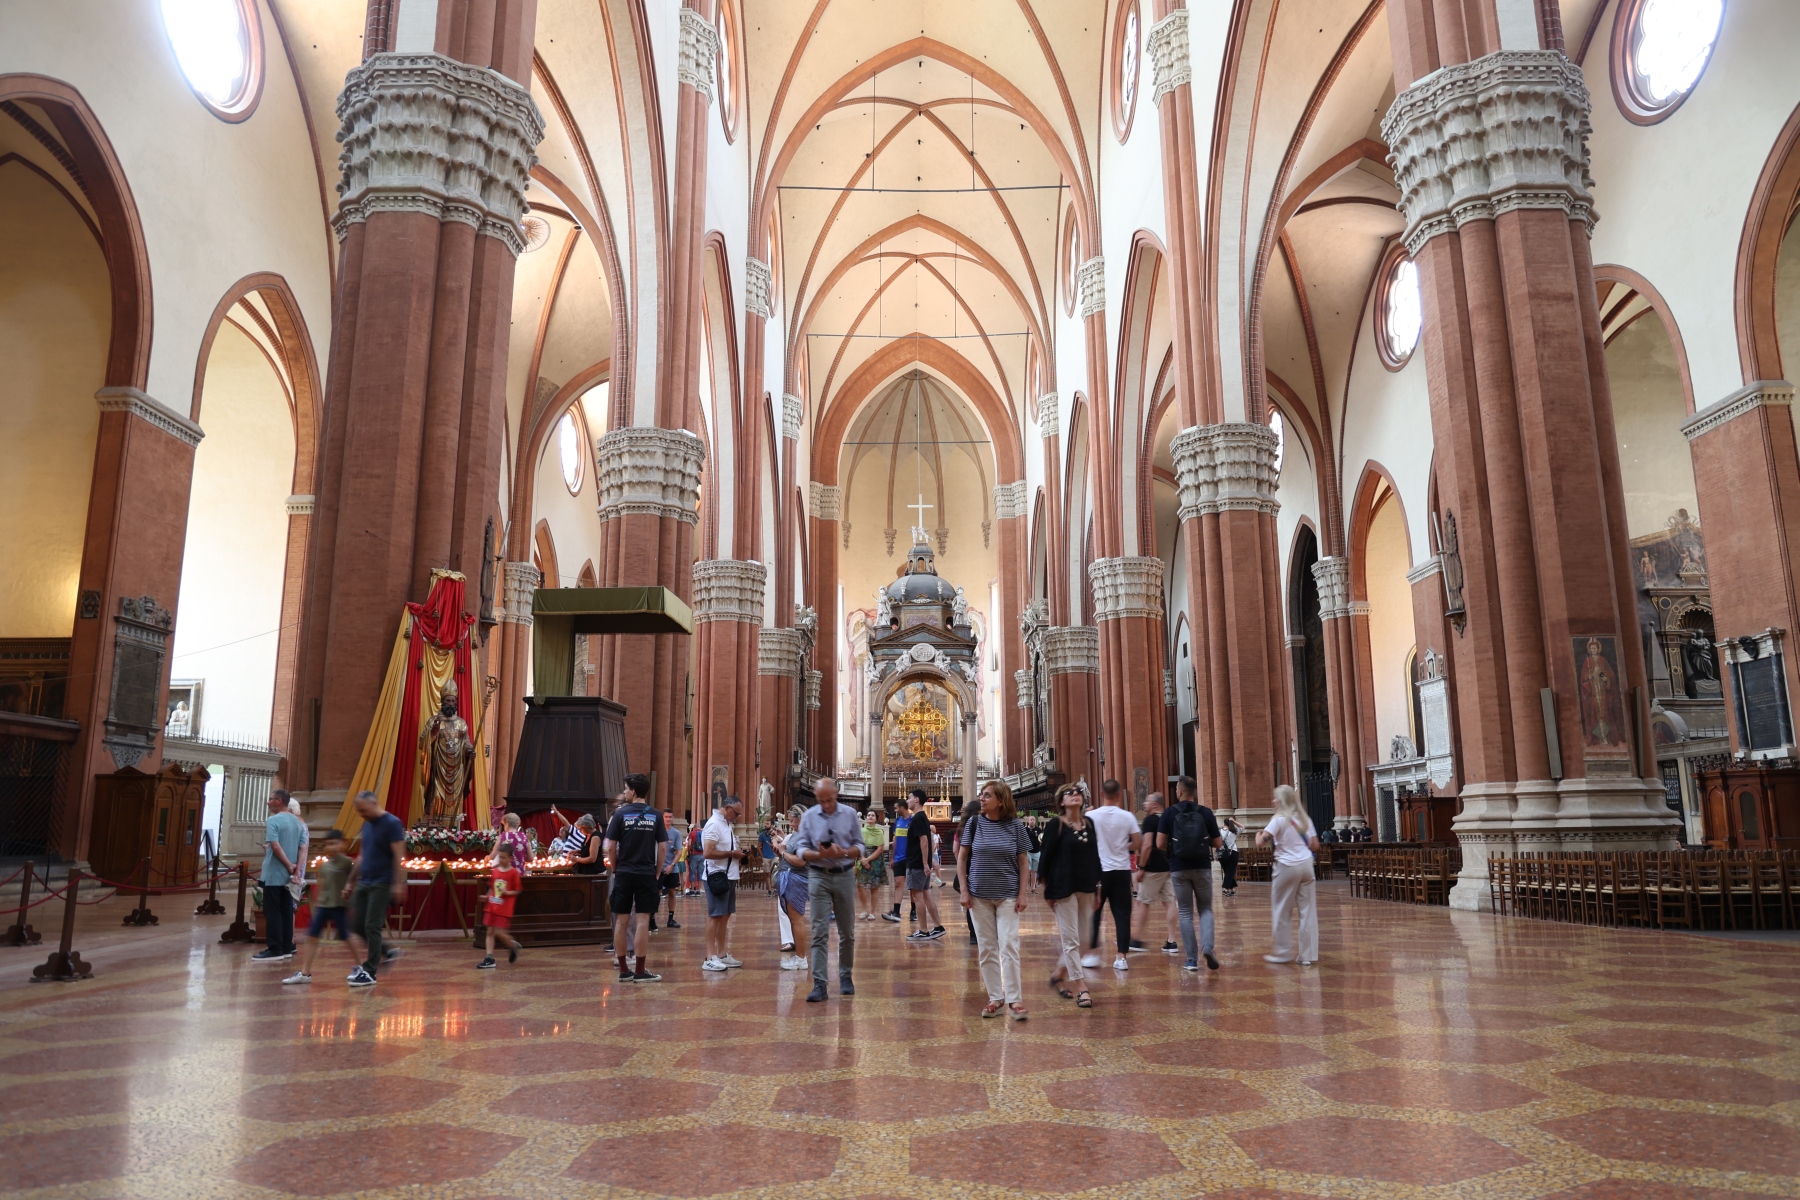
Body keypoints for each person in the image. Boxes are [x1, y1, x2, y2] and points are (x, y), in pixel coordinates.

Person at [957, 780, 1032, 1021]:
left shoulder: (1016, 826)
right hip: (979, 896)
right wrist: (964, 891)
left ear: (1001, 800)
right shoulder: (974, 823)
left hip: (1008, 895)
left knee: (1009, 945)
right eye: (981, 794)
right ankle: (995, 999)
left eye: (987, 795)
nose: (982, 798)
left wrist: (1023, 893)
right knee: (987, 948)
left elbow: (1023, 862)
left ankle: (1015, 1000)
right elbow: (962, 858)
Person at [791, 776, 862, 1002]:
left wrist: (843, 852)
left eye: (829, 800)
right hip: (818, 875)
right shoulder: (810, 816)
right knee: (819, 931)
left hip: (844, 874)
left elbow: (860, 846)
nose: (826, 805)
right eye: (821, 801)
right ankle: (819, 984)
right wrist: (818, 854)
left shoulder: (850, 814)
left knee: (847, 932)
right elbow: (801, 849)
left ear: (836, 795)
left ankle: (846, 977)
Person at [1039, 784, 1101, 1008]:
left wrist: (1098, 886)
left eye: (1078, 792)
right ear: (1061, 802)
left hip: (1086, 886)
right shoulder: (1056, 824)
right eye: (1069, 793)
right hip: (1063, 888)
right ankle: (1081, 987)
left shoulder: (1089, 823)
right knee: (1071, 940)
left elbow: (1094, 856)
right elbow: (1045, 859)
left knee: (1085, 939)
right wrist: (1047, 890)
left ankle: (1059, 974)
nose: (1075, 794)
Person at [603, 772, 668, 982]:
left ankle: (624, 970)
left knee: (621, 922)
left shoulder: (620, 815)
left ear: (633, 791)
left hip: (624, 873)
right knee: (642, 922)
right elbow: (663, 848)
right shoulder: (655, 815)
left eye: (625, 789)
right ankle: (640, 971)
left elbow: (611, 847)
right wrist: (657, 872)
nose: (624, 792)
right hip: (646, 873)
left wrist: (616, 869)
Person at [283, 829, 363, 984]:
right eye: (328, 844)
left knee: (347, 937)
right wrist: (318, 903)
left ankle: (361, 966)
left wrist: (351, 901)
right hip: (324, 907)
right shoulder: (325, 865)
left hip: (340, 906)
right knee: (312, 936)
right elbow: (322, 885)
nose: (331, 847)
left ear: (343, 844)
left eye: (334, 843)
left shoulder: (347, 863)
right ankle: (305, 972)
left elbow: (354, 881)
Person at [1161, 776, 1222, 972]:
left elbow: (1159, 843)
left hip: (1179, 867)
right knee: (1206, 909)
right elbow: (1218, 843)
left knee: (1185, 912)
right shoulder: (1205, 812)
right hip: (1202, 866)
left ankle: (1191, 960)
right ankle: (1208, 947)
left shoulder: (1169, 813)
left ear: (1179, 792)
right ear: (1194, 792)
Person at [348, 790, 407, 987]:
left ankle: (370, 972)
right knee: (357, 925)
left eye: (363, 810)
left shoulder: (392, 823)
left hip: (382, 883)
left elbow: (398, 856)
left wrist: (398, 883)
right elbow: (362, 855)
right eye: (359, 811)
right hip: (365, 881)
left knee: (372, 926)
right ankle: (388, 951)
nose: (361, 815)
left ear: (374, 804)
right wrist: (350, 881)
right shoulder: (367, 824)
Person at [1258, 784, 1322, 966]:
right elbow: (1315, 845)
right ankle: (1307, 955)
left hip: (1286, 866)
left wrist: (1258, 834)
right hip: (1306, 865)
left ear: (1281, 801)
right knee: (1308, 911)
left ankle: (1283, 953)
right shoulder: (1305, 819)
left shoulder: (1278, 820)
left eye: (1275, 798)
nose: (1273, 801)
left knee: (1282, 910)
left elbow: (1261, 842)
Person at [1085, 779, 1140, 971]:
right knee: (1122, 914)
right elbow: (1138, 842)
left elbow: (1085, 843)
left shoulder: (1090, 816)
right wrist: (1124, 846)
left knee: (1094, 913)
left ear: (1101, 794)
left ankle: (1092, 954)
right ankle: (1121, 957)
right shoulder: (1127, 816)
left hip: (1099, 871)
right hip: (1122, 871)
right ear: (1118, 795)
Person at [252, 791, 306, 962]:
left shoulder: (273, 820)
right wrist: (296, 870)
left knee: (273, 911)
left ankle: (275, 949)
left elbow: (275, 845)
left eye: (271, 799)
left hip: (274, 873)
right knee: (286, 910)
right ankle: (287, 947)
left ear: (279, 801)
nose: (268, 802)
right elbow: (303, 848)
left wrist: (288, 864)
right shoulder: (298, 821)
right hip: (290, 876)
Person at [700, 796, 746, 971]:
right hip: (716, 877)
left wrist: (737, 853)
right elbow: (707, 852)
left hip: (729, 876)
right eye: (736, 814)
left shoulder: (726, 823)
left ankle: (721, 954)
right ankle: (709, 957)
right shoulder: (714, 824)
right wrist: (732, 854)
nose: (737, 817)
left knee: (725, 915)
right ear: (727, 808)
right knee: (715, 916)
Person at [1130, 792, 1178, 954]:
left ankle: (1137, 939)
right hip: (1170, 865)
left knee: (1143, 901)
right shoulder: (1171, 818)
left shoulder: (1150, 820)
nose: (1144, 804)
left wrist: (1142, 867)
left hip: (1153, 867)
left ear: (1155, 805)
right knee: (1170, 902)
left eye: (1147, 801)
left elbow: (1147, 845)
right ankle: (1172, 941)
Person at [901, 789, 944, 941]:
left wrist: (925, 862)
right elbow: (929, 840)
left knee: (917, 896)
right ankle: (938, 926)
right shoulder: (922, 817)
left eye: (909, 798)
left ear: (917, 799)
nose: (907, 801)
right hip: (920, 863)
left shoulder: (918, 818)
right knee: (926, 895)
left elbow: (924, 841)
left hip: (916, 863)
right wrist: (929, 861)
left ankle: (923, 930)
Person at [767, 825, 811, 971]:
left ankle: (801, 958)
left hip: (796, 878)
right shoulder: (796, 835)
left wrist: (783, 852)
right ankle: (799, 956)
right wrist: (780, 851)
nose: (791, 823)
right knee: (793, 918)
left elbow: (800, 861)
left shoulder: (805, 836)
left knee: (796, 918)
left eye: (793, 820)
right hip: (790, 876)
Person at [478, 842, 523, 969]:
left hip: (504, 907)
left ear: (510, 858)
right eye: (500, 857)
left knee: (500, 932)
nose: (501, 859)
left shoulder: (513, 873)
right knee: (490, 931)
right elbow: (492, 887)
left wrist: (507, 892)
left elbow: (517, 890)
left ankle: (512, 946)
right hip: (492, 905)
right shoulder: (495, 871)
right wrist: (486, 896)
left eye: (504, 857)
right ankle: (489, 958)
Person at [856, 807, 890, 920]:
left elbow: (880, 848)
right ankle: (865, 909)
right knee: (859, 885)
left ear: (876, 819)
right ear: (866, 818)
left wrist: (868, 860)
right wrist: (862, 859)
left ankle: (872, 912)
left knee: (874, 887)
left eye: (873, 815)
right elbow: (858, 846)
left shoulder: (879, 832)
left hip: (875, 860)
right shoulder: (861, 831)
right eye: (868, 815)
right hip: (862, 858)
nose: (870, 817)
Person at [655, 809, 683, 931]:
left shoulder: (676, 833)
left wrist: (672, 865)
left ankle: (671, 919)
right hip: (658, 868)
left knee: (672, 892)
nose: (668, 819)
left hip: (672, 868)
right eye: (666, 817)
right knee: (656, 892)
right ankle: (652, 919)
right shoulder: (656, 831)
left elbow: (679, 852)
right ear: (662, 818)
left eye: (670, 817)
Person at [884, 803, 909, 922]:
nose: (895, 810)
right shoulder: (898, 821)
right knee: (898, 884)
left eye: (896, 808)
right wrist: (892, 857)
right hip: (898, 858)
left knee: (913, 887)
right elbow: (895, 840)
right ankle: (896, 912)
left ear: (902, 807)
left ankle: (913, 911)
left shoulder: (913, 820)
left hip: (910, 858)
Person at [1219, 816, 1242, 896]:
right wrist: (1234, 822)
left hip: (1222, 853)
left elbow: (1217, 843)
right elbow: (1242, 827)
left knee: (1227, 871)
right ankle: (1225, 888)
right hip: (1233, 852)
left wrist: (1216, 853)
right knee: (1231, 871)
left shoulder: (1219, 832)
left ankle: (1232, 889)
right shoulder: (1234, 831)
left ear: (1224, 823)